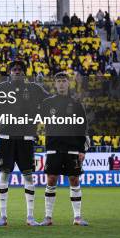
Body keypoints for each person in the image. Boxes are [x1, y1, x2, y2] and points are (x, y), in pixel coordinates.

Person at [0, 60, 49, 226]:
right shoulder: (1, 88)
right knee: (4, 175)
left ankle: (30, 217)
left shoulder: (34, 88)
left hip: (26, 138)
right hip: (6, 138)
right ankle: (3, 217)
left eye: (20, 69)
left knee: (28, 176)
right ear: (10, 72)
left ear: (24, 73)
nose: (17, 71)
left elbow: (50, 100)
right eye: (14, 69)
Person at [40, 72, 89, 226]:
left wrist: (82, 149)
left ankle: (77, 217)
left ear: (69, 83)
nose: (61, 84)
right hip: (54, 147)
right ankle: (48, 217)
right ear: (55, 84)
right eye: (59, 81)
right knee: (51, 179)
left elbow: (82, 128)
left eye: (64, 81)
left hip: (72, 148)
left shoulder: (76, 104)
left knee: (74, 180)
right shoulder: (48, 103)